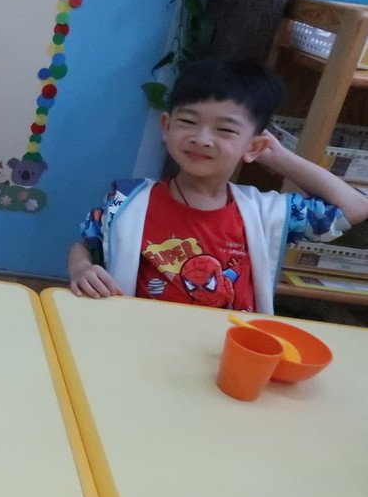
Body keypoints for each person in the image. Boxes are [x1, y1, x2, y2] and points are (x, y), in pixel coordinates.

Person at [68, 58, 368, 314]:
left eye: (224, 129)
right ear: (166, 127)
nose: (202, 139)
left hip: (227, 347)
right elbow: (85, 245)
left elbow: (355, 207)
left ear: (254, 146)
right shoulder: (127, 201)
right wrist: (81, 268)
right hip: (139, 339)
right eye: (188, 122)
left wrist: (278, 157)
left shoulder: (267, 213)